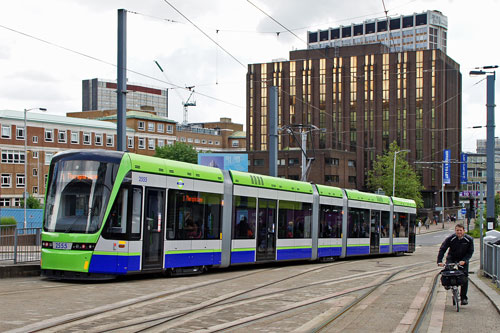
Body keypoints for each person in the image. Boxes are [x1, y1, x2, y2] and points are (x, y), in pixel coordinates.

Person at [437, 223, 474, 305]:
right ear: (455, 231)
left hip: (463, 259)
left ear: (464, 231)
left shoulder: (469, 240)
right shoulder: (451, 238)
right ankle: (448, 285)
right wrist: (439, 261)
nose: (459, 232)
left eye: (461, 230)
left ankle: (463, 298)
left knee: (464, 277)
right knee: (447, 272)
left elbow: (470, 252)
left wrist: (464, 260)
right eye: (457, 230)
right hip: (452, 257)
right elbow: (443, 249)